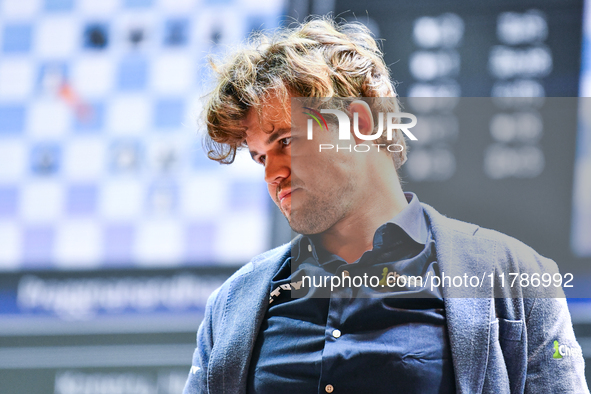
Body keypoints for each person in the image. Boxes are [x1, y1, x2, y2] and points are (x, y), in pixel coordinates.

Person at [183, 17, 588, 394]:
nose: (273, 173)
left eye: (286, 142)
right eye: (260, 157)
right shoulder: (233, 302)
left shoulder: (519, 278)